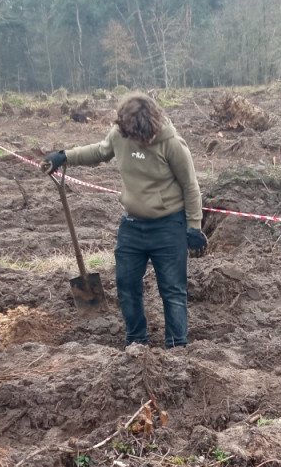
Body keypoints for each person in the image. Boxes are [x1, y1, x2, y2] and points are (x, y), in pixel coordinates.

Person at [45, 92, 206, 348]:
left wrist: (194, 226)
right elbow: (99, 151)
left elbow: (191, 186)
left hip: (168, 226)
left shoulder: (172, 144)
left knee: (173, 291)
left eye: (146, 137)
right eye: (135, 136)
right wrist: (65, 155)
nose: (141, 141)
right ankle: (136, 341)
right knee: (126, 286)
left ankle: (177, 348)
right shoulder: (120, 134)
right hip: (132, 226)